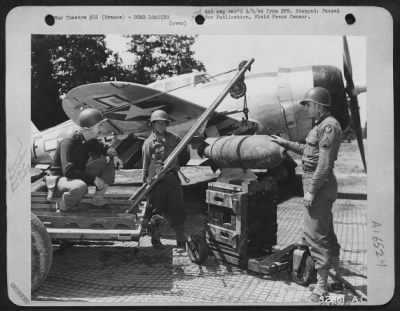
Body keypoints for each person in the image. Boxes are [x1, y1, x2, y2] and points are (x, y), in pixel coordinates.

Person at [271, 87, 342, 302]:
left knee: (315, 237)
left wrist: (311, 191)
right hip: (318, 185)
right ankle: (336, 278)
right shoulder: (320, 126)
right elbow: (309, 151)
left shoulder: (329, 127)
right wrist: (285, 143)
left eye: (309, 105)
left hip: (319, 186)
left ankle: (321, 289)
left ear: (319, 106)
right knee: (326, 233)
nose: (306, 109)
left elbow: (324, 163)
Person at [51, 108, 123, 211]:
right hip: (60, 178)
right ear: (86, 129)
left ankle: (97, 199)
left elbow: (106, 148)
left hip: (77, 174)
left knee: (108, 161)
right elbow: (68, 171)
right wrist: (93, 178)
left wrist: (115, 156)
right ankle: (64, 204)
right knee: (80, 187)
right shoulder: (69, 141)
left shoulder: (89, 140)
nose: (101, 130)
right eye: (99, 126)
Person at [142, 110, 188, 249]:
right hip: (157, 183)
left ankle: (181, 240)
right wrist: (147, 180)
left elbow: (184, 154)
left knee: (178, 210)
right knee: (156, 213)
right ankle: (156, 240)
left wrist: (176, 166)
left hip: (172, 179)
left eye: (163, 123)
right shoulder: (148, 143)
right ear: (153, 125)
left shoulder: (174, 138)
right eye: (158, 123)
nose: (161, 126)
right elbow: (145, 164)